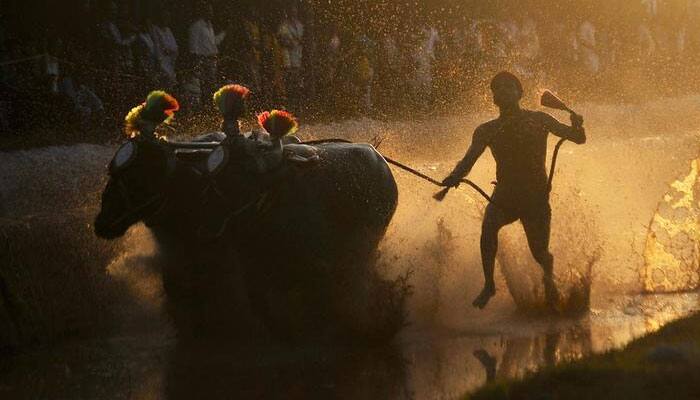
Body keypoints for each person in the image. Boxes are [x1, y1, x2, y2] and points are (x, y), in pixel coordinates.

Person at [441, 72, 586, 310]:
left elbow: (577, 138)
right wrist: (454, 177)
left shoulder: (540, 119)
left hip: (535, 197)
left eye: (509, 87)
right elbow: (468, 161)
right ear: (494, 99)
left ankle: (549, 279)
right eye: (498, 89)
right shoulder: (486, 130)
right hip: (505, 195)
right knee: (488, 227)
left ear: (519, 94)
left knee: (539, 253)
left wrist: (577, 125)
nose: (503, 91)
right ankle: (489, 285)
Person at [188, 2, 226, 107]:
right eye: (209, 11)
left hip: (212, 61)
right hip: (203, 61)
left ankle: (209, 107)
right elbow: (193, 47)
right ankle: (203, 108)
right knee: (202, 86)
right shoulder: (196, 26)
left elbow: (213, 43)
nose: (211, 13)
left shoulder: (209, 26)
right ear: (202, 12)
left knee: (211, 86)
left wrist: (224, 33)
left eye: (211, 11)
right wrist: (197, 62)